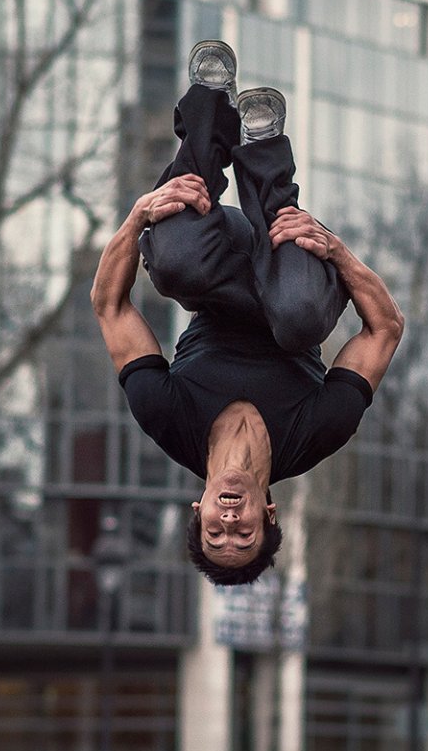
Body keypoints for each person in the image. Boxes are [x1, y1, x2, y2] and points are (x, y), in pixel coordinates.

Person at [91, 41, 404, 588]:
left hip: (223, 264)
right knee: (300, 317)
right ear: (269, 515)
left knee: (173, 266)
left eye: (216, 534)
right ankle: (264, 150)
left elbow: (110, 306)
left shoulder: (170, 421)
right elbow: (385, 330)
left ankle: (211, 108)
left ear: (199, 510)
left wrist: (140, 212)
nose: (230, 523)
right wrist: (334, 250)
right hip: (293, 274)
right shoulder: (314, 435)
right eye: (243, 535)